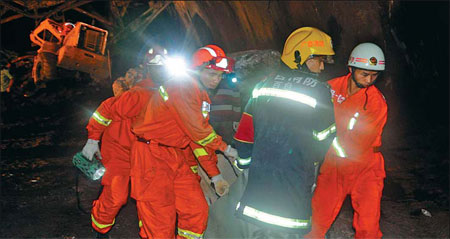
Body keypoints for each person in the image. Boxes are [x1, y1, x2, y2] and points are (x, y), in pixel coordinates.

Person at [204, 27, 339, 238]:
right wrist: (306, 162)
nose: (322, 66)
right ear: (299, 57)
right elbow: (324, 138)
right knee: (285, 231)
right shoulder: (319, 91)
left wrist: (246, 164)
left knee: (258, 230)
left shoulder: (263, 85)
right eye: (319, 59)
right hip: (293, 184)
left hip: (259, 181)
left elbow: (245, 134)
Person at [130, 44, 238, 238]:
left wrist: (215, 176)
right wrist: (227, 148)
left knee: (196, 210)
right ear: (197, 70)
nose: (217, 80)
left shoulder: (200, 94)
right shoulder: (182, 86)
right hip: (151, 156)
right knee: (160, 221)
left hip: (174, 155)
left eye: (220, 75)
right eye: (212, 74)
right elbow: (199, 132)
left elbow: (197, 140)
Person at [305, 42, 387, 239]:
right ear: (351, 69)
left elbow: (357, 144)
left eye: (374, 75)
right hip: (334, 165)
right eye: (364, 74)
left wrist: (321, 145)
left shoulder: (376, 103)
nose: (369, 80)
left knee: (368, 226)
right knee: (316, 220)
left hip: (366, 168)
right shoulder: (330, 87)